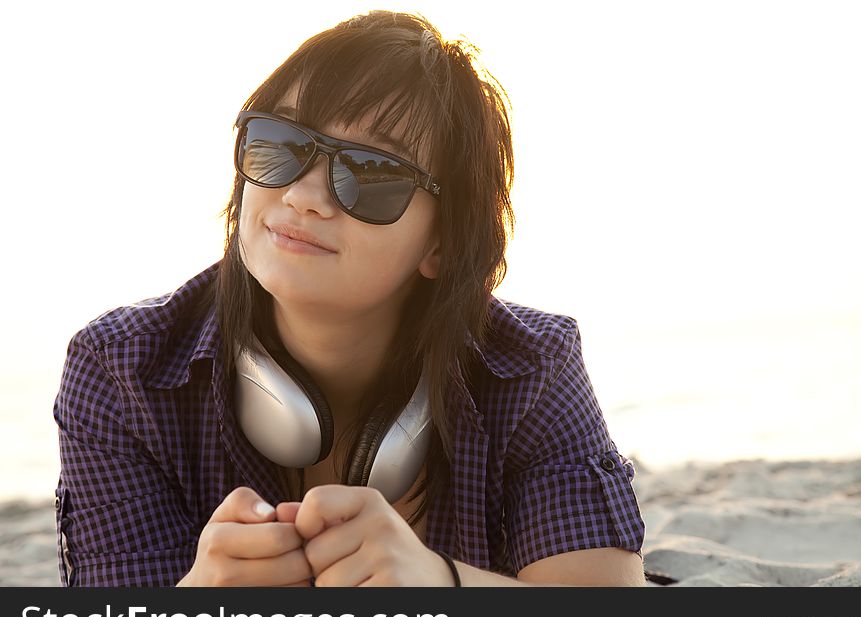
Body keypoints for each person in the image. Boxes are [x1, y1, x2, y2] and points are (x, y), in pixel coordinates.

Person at [53, 9, 646, 587]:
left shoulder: (530, 365)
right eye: (280, 143)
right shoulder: (122, 369)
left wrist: (440, 585)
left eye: (371, 171)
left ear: (442, 241)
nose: (304, 196)